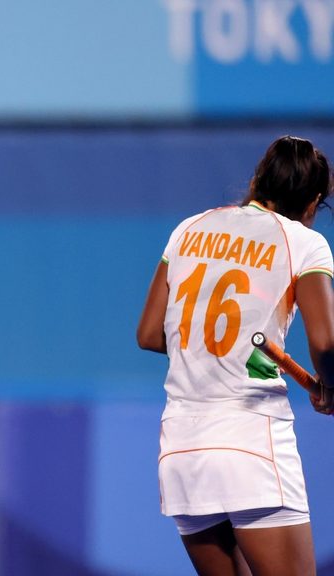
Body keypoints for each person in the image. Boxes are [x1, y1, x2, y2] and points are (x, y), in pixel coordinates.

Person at [137, 135, 334, 576]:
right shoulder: (304, 242)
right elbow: (326, 345)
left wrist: (213, 351)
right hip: (251, 445)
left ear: (259, 180)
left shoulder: (188, 228)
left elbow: (150, 333)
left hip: (182, 451)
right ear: (313, 201)